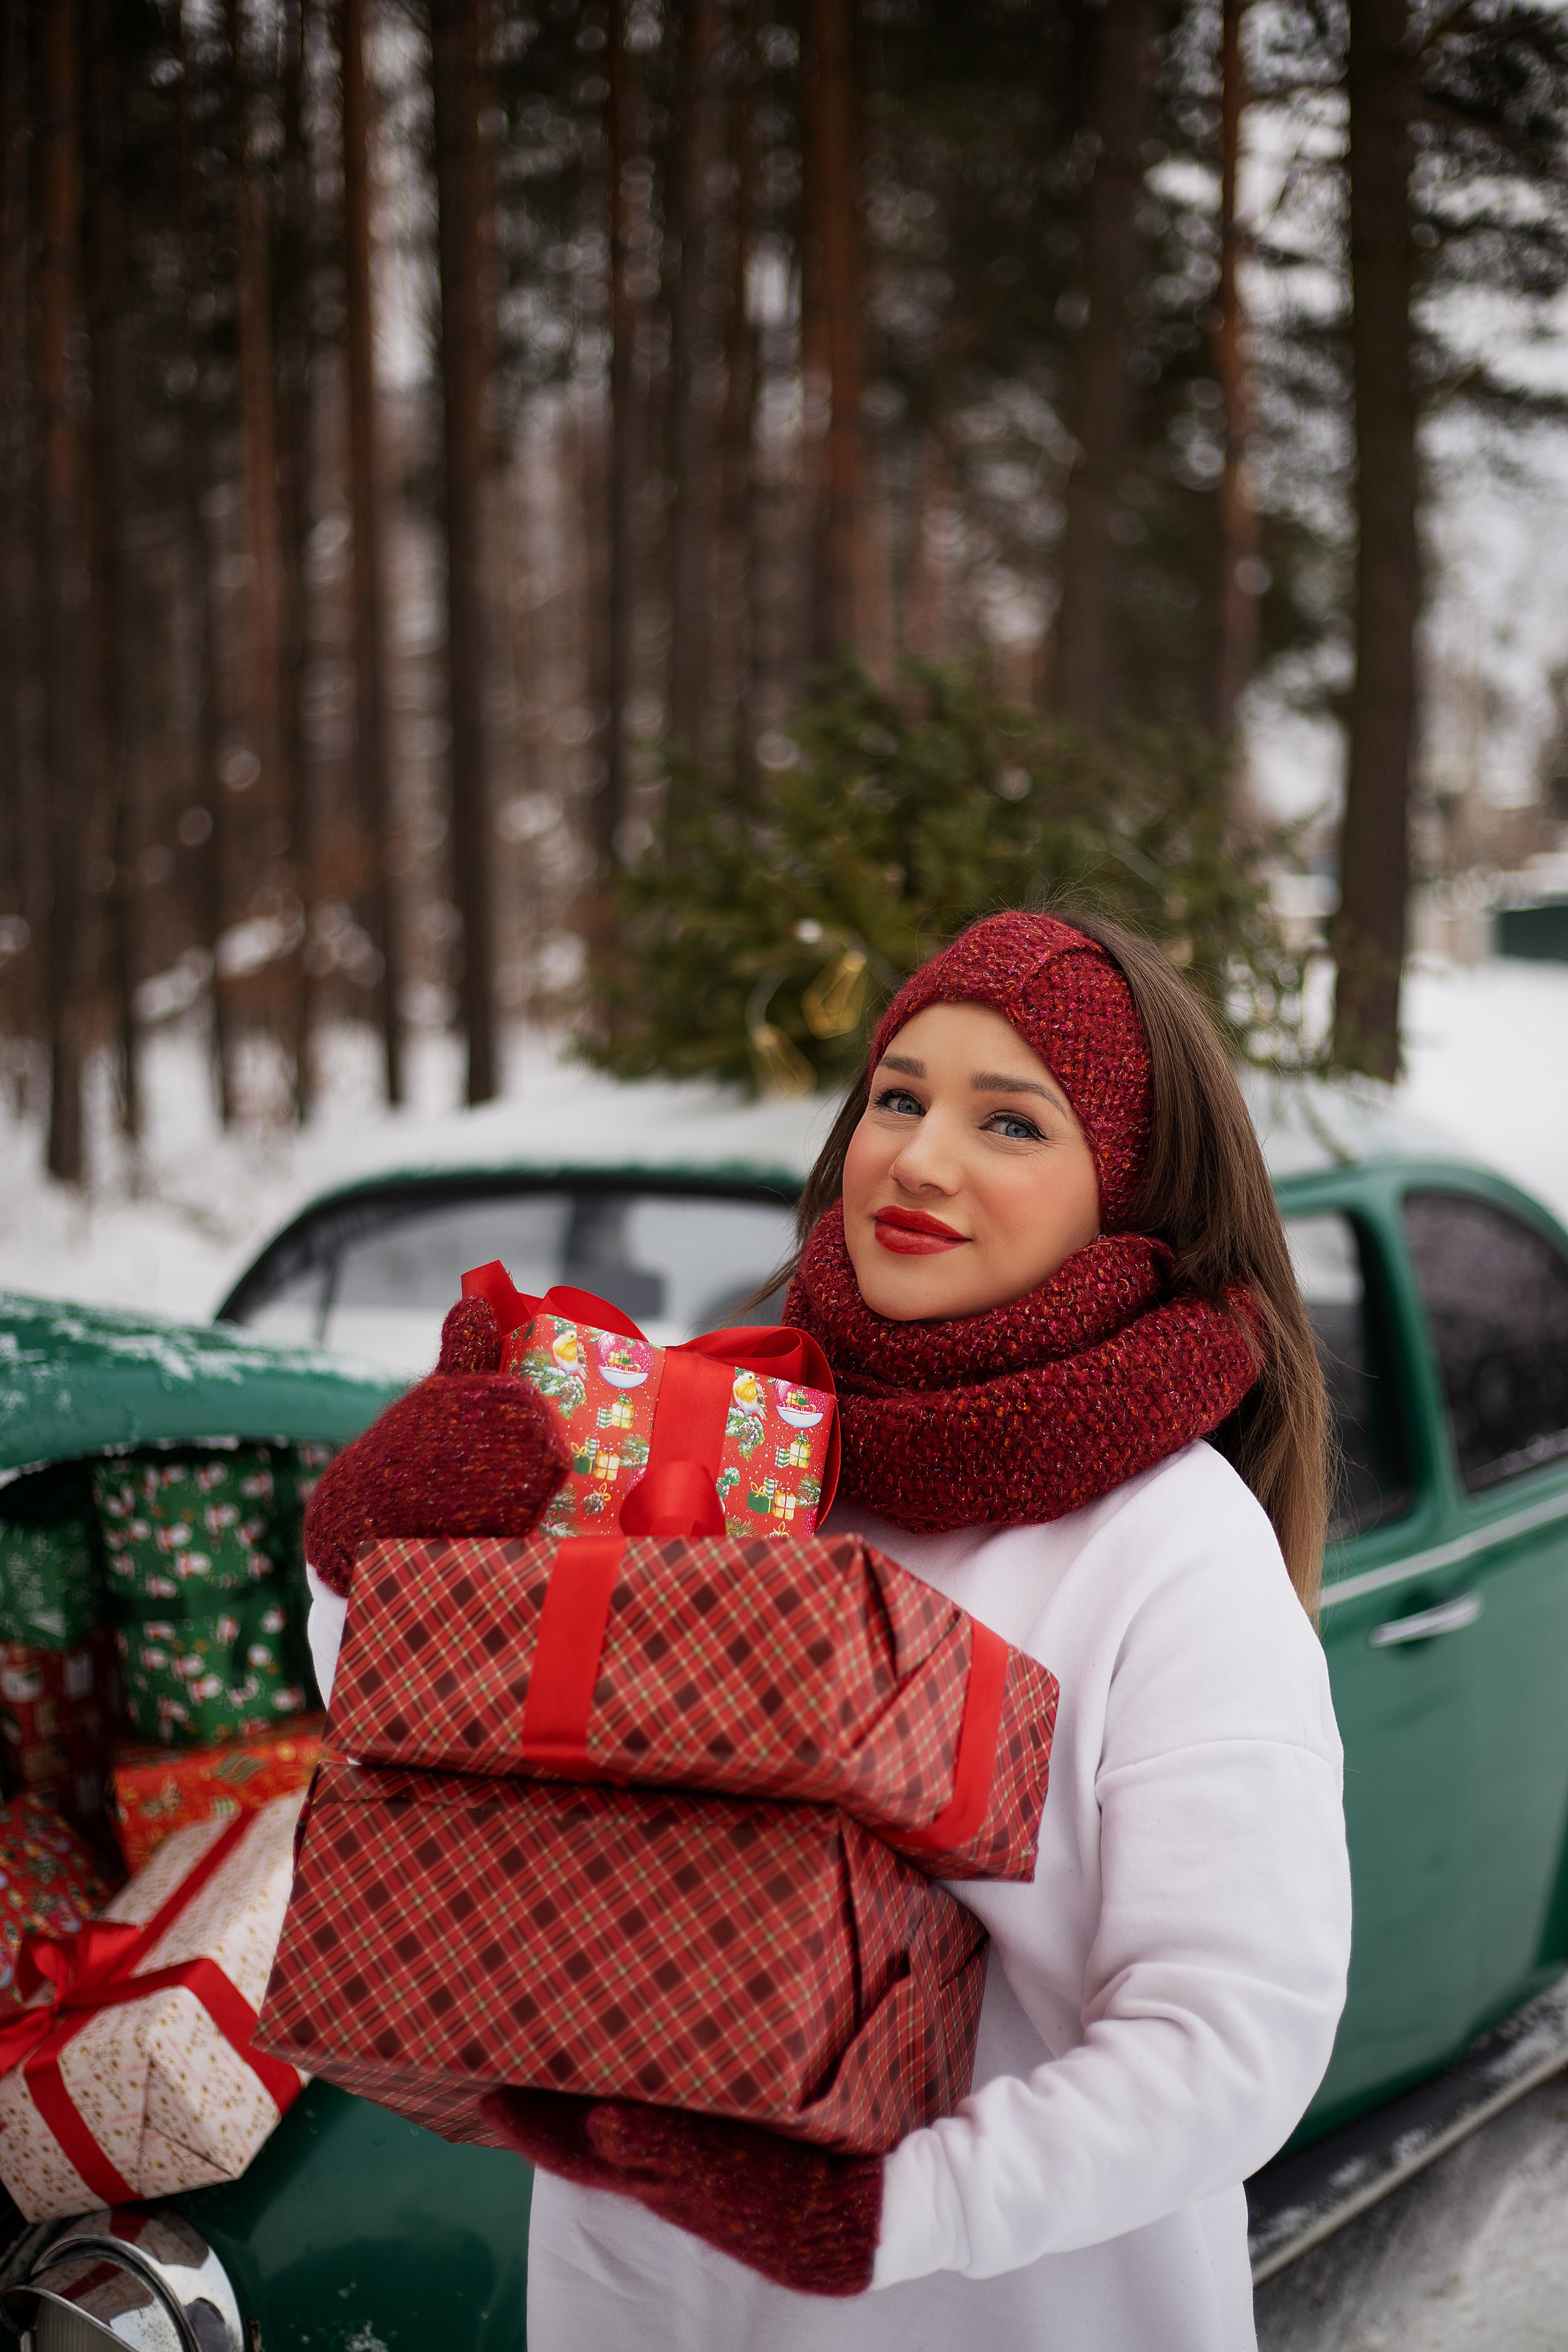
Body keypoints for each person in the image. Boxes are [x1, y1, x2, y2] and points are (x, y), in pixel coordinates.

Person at [304, 909, 1351, 2352]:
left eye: (1010, 1123)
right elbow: (453, 1759)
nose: (919, 1158)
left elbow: (1230, 2041)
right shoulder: (707, 1445)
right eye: (898, 1097)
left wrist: (889, 2209)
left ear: (1129, 1199)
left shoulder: (1168, 1549)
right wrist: (364, 1568)